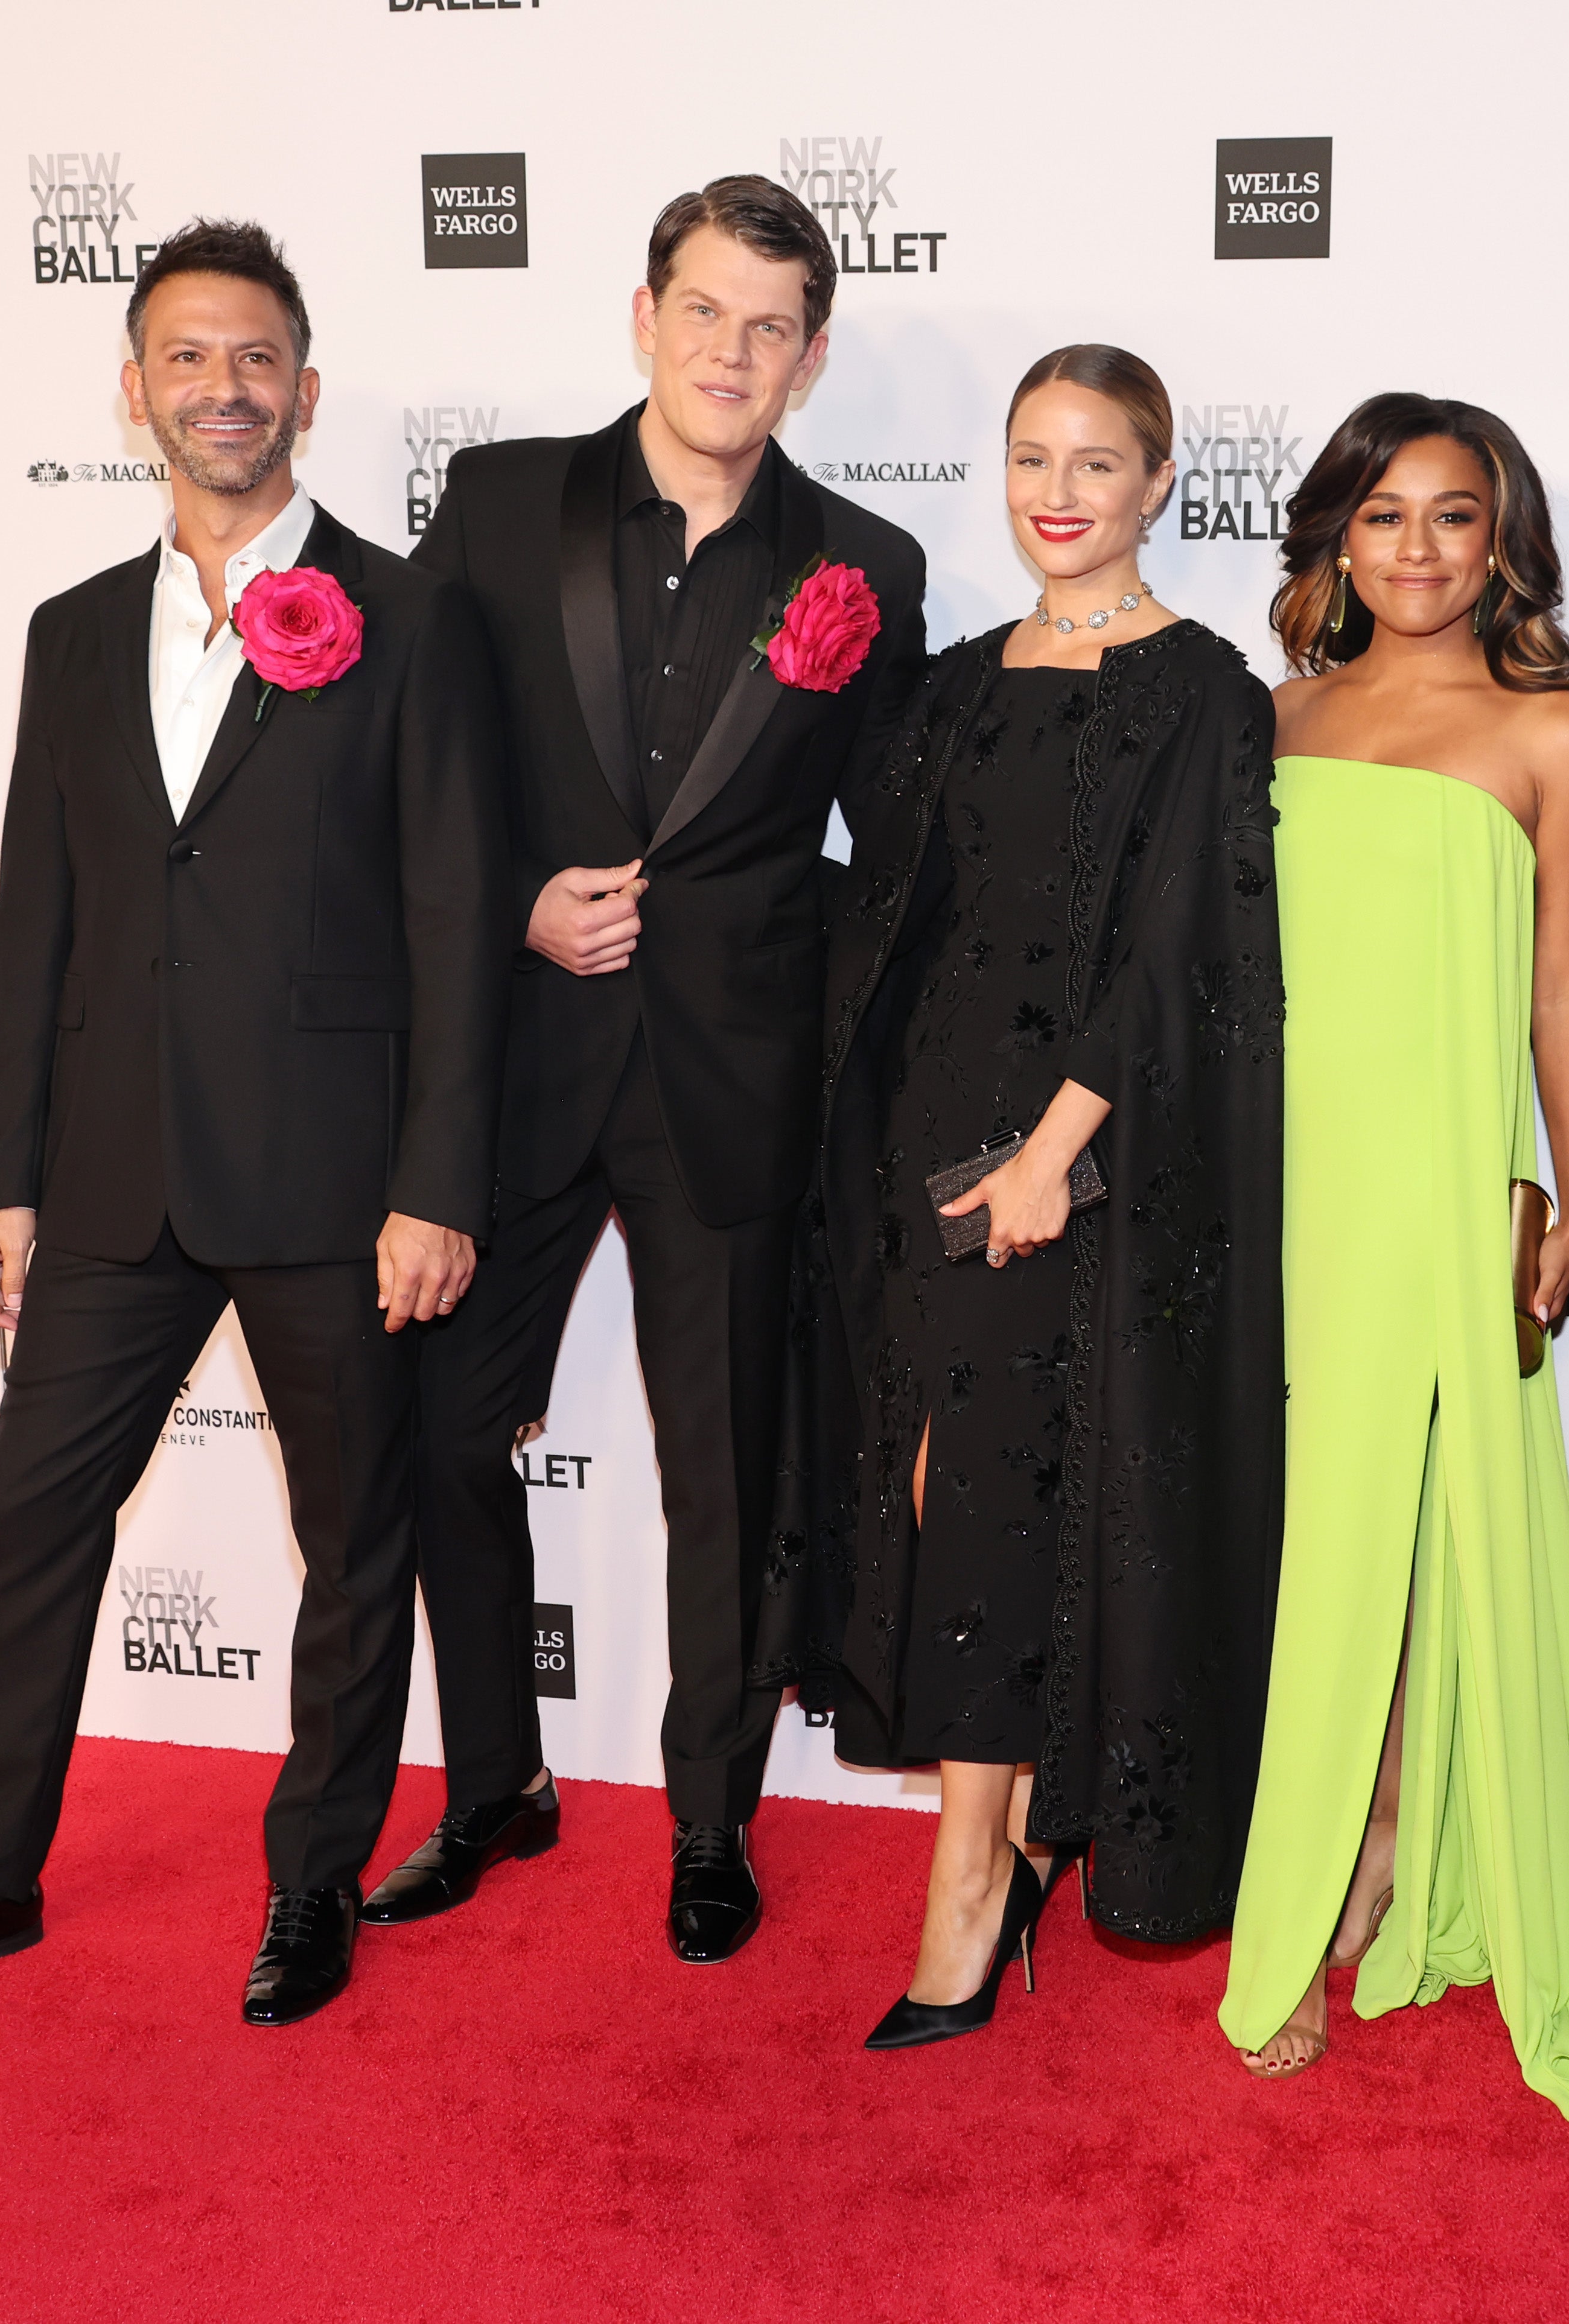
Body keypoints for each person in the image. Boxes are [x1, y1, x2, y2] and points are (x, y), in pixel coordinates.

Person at [0, 220, 504, 2028]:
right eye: (187, 358)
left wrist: (434, 1180)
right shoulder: (74, 631)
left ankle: (312, 1879)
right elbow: (46, 914)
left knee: (353, 1542)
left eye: (255, 357)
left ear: (309, 391)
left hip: (337, 1176)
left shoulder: (412, 617)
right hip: (110, 1169)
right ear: (134, 393)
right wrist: (0, 1176)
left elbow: (453, 922)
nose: (224, 389)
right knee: (27, 1517)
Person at [390, 176, 926, 1963]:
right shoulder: (494, 501)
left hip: (730, 1083)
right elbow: (421, 780)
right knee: (443, 1429)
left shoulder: (866, 566)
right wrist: (512, 912)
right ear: (643, 316)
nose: (733, 350)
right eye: (705, 310)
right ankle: (493, 1784)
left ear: (814, 356)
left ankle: (712, 1820)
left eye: (770, 325)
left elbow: (897, 842)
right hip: (521, 1059)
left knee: (729, 1475)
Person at [1215, 394, 1569, 2127]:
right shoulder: (1270, 719)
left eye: (1454, 516)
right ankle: (1355, 1843)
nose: (1417, 551)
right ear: (1334, 540)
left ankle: (1319, 1910)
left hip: (1436, 1190)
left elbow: (1562, 985)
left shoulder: (1556, 734)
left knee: (1404, 1535)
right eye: (1382, 517)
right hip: (1273, 1188)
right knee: (1300, 1548)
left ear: (1502, 538)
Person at [771, 346, 1284, 2048]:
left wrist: (1055, 1150)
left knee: (983, 1500)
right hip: (923, 1135)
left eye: (1097, 461)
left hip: (1069, 1157)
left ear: (1157, 486)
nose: (1058, 490)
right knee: (932, 1490)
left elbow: (1177, 951)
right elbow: (884, 895)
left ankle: (970, 1892)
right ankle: (1000, 1839)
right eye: (1029, 459)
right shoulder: (960, 681)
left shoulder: (1204, 687)